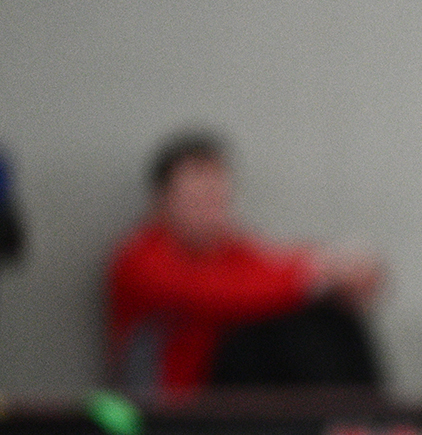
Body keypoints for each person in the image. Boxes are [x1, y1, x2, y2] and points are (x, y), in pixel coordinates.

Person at [106, 129, 385, 404]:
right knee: (273, 329)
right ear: (162, 200)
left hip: (228, 392)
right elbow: (221, 294)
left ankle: (367, 419)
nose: (208, 210)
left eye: (216, 198)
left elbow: (274, 269)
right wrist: (319, 272)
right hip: (170, 405)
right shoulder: (139, 258)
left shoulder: (232, 250)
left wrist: (340, 271)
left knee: (329, 316)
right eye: (195, 200)